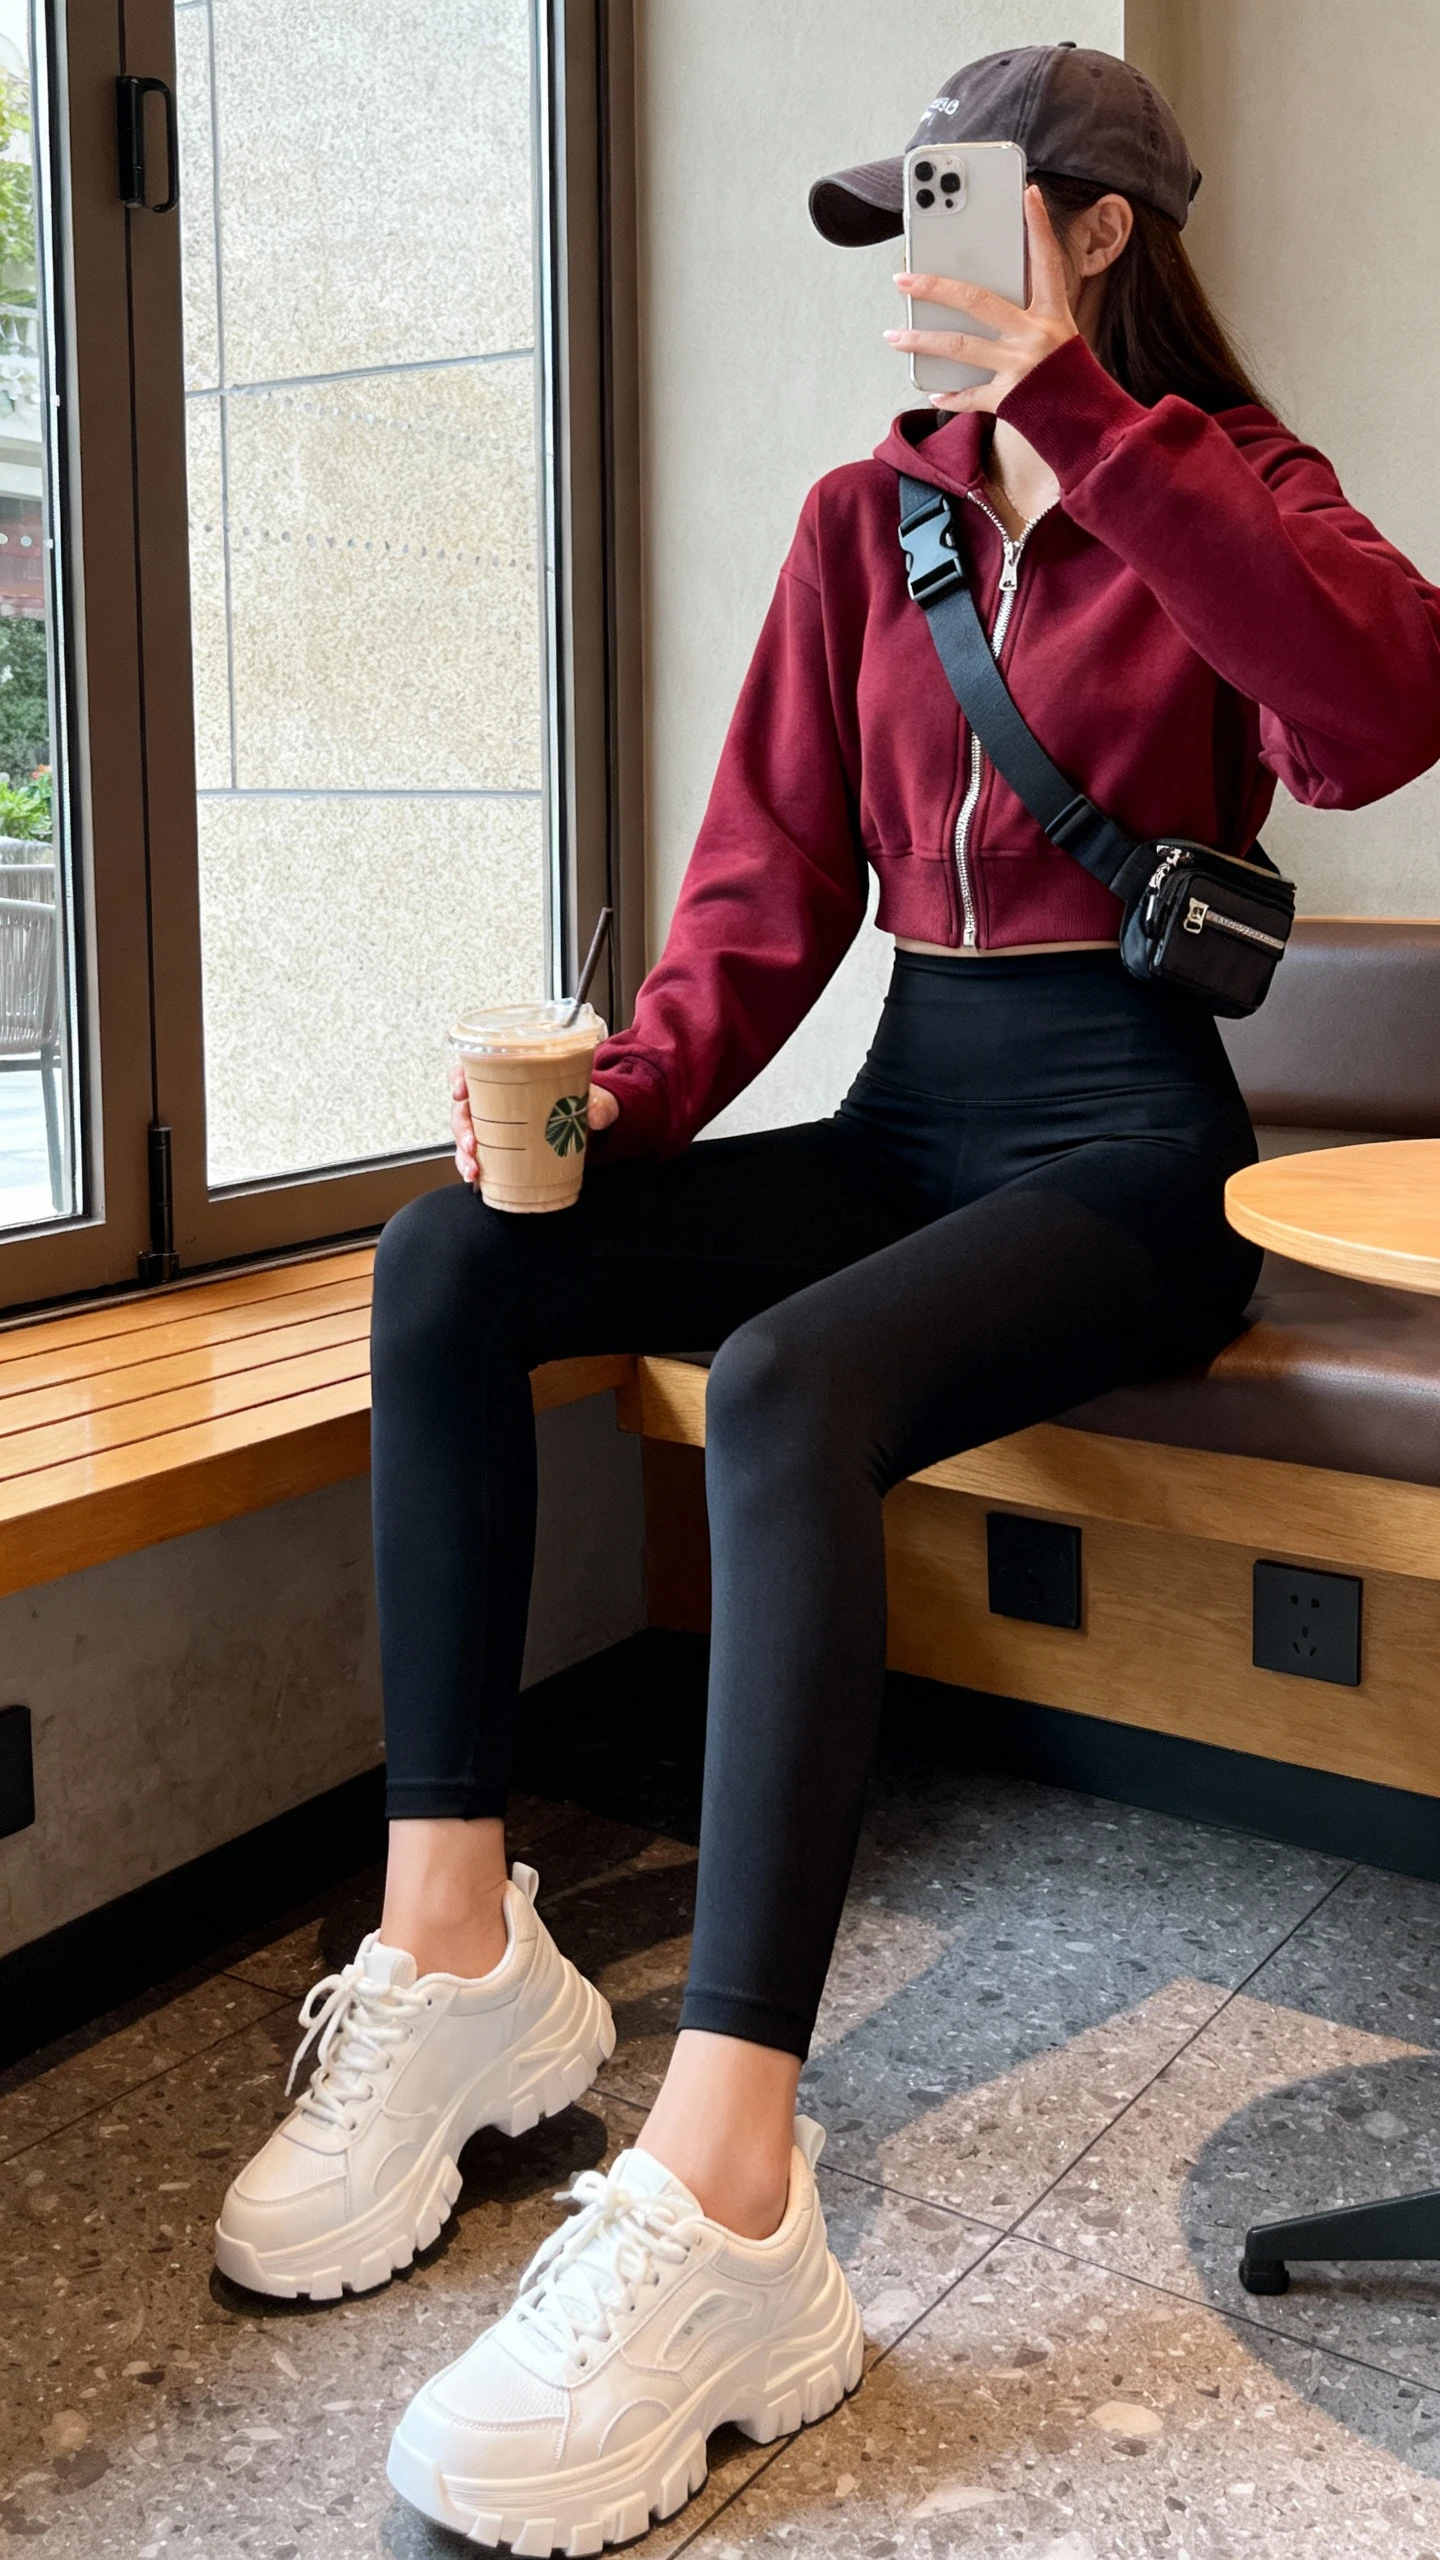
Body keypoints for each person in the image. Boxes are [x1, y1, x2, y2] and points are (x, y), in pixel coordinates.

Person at [217, 41, 1440, 2552]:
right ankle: (457, 1958)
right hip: (909, 1112)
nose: (920, 253)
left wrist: (1097, 431)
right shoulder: (858, 529)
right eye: (900, 213)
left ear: (1091, 230)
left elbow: (1376, 715)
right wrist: (610, 1101)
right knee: (456, 1257)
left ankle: (731, 2189)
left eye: (964, 206)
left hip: (1129, 1145)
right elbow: (766, 897)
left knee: (782, 1383)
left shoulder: (1225, 486)